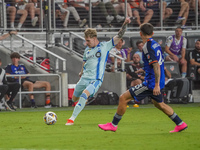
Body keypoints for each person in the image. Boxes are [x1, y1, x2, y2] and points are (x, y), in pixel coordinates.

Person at [98, 23, 188, 133]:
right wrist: (145, 71)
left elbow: (156, 65)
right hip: (157, 80)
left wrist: (155, 85)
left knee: (123, 98)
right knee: (159, 104)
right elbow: (157, 63)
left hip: (151, 83)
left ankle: (113, 125)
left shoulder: (147, 46)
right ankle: (180, 123)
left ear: (140, 33)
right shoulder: (156, 44)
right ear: (152, 33)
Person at [65, 18, 131, 125]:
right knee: (74, 98)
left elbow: (119, 35)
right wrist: (81, 72)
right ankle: (84, 98)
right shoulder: (87, 50)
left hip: (96, 79)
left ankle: (71, 119)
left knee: (83, 96)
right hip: (84, 78)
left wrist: (125, 24)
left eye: (88, 40)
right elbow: (84, 62)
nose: (86, 43)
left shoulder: (105, 46)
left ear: (94, 38)